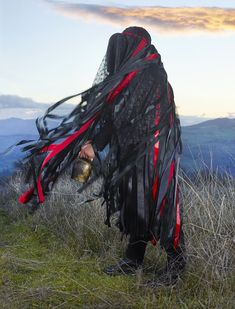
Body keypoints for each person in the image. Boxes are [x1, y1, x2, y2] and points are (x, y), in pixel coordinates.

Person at [18, 26, 186, 286]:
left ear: (135, 45)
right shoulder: (130, 74)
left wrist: (96, 140)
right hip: (131, 151)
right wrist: (93, 143)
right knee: (134, 204)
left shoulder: (151, 71)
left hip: (153, 153)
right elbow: (114, 113)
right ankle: (133, 260)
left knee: (158, 204)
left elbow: (123, 112)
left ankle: (176, 268)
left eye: (125, 44)